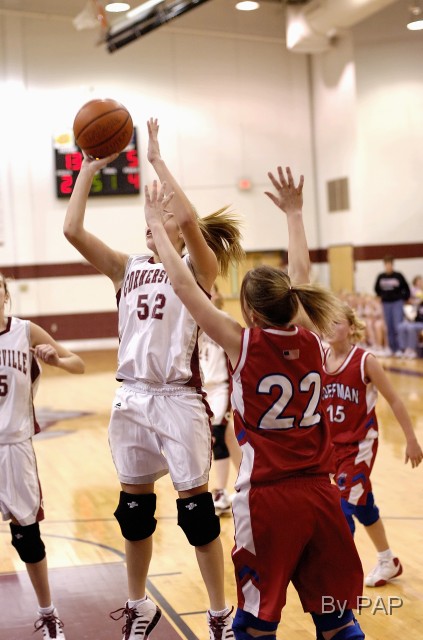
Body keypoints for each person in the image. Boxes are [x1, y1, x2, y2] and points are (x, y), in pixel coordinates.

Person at [143, 167, 366, 640]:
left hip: (268, 499)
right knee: (337, 620)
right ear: (292, 303)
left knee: (256, 624)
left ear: (248, 311)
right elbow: (301, 275)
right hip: (321, 494)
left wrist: (157, 229)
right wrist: (294, 214)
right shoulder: (311, 338)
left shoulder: (242, 343)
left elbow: (183, 286)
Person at [63, 117, 244, 640]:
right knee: (134, 512)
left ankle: (218, 614)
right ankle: (138, 604)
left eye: (165, 212)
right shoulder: (126, 267)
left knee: (198, 517)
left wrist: (159, 162)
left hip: (178, 398)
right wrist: (87, 169)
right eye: (151, 212)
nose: (154, 215)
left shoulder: (198, 270)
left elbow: (185, 217)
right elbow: (72, 231)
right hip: (132, 397)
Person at [0, 271, 85, 639]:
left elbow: (78, 363)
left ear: (5, 295)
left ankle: (48, 614)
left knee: (28, 540)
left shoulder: (25, 331)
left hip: (15, 447)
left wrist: (57, 361)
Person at [321, 303, 423, 588]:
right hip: (331, 448)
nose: (330, 326)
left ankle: (341, 580)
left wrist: (411, 440)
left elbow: (395, 400)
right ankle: (388, 560)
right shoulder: (320, 357)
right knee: (363, 504)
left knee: (342, 511)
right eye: (327, 321)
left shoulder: (365, 360)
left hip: (359, 447)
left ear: (351, 328)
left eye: (337, 322)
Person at [199, 283, 242, 516]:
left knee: (217, 435)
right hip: (203, 388)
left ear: (217, 294)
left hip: (222, 388)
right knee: (227, 436)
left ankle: (221, 492)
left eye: (211, 290)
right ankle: (249, 480)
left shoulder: (224, 322)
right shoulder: (194, 321)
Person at [374, 255, 410, 356]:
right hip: (386, 303)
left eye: (390, 264)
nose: (388, 266)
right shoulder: (381, 277)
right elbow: (376, 289)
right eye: (386, 264)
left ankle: (400, 348)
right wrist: (381, 296)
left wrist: (404, 298)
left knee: (397, 325)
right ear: (384, 265)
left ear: (392, 265)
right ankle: (391, 348)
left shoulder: (398, 276)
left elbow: (406, 288)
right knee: (389, 326)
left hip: (397, 302)